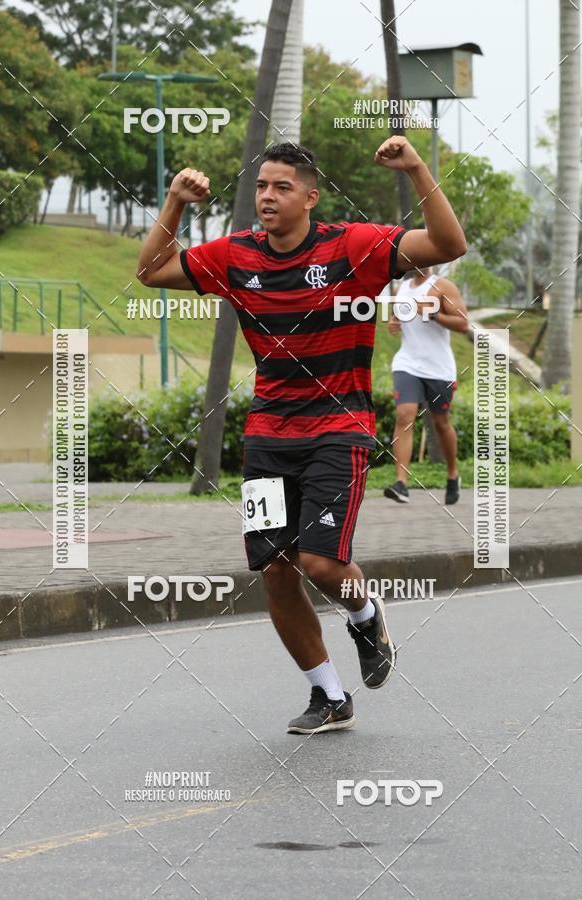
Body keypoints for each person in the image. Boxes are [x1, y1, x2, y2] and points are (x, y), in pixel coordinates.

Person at [136, 138, 466, 735]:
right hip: (267, 437)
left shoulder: (354, 247)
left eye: (282, 187)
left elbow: (448, 244)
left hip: (338, 430)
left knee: (319, 562)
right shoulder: (235, 255)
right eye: (262, 186)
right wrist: (176, 201)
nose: (267, 196)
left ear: (310, 198)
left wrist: (417, 168)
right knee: (276, 570)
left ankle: (364, 614)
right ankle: (329, 695)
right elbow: (151, 271)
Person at [384, 267, 468, 506]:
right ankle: (401, 483)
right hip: (407, 363)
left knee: (441, 423)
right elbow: (399, 317)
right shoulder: (402, 288)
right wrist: (394, 322)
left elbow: (462, 323)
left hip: (438, 368)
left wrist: (433, 314)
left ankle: (452, 474)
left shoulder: (443, 286)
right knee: (404, 415)